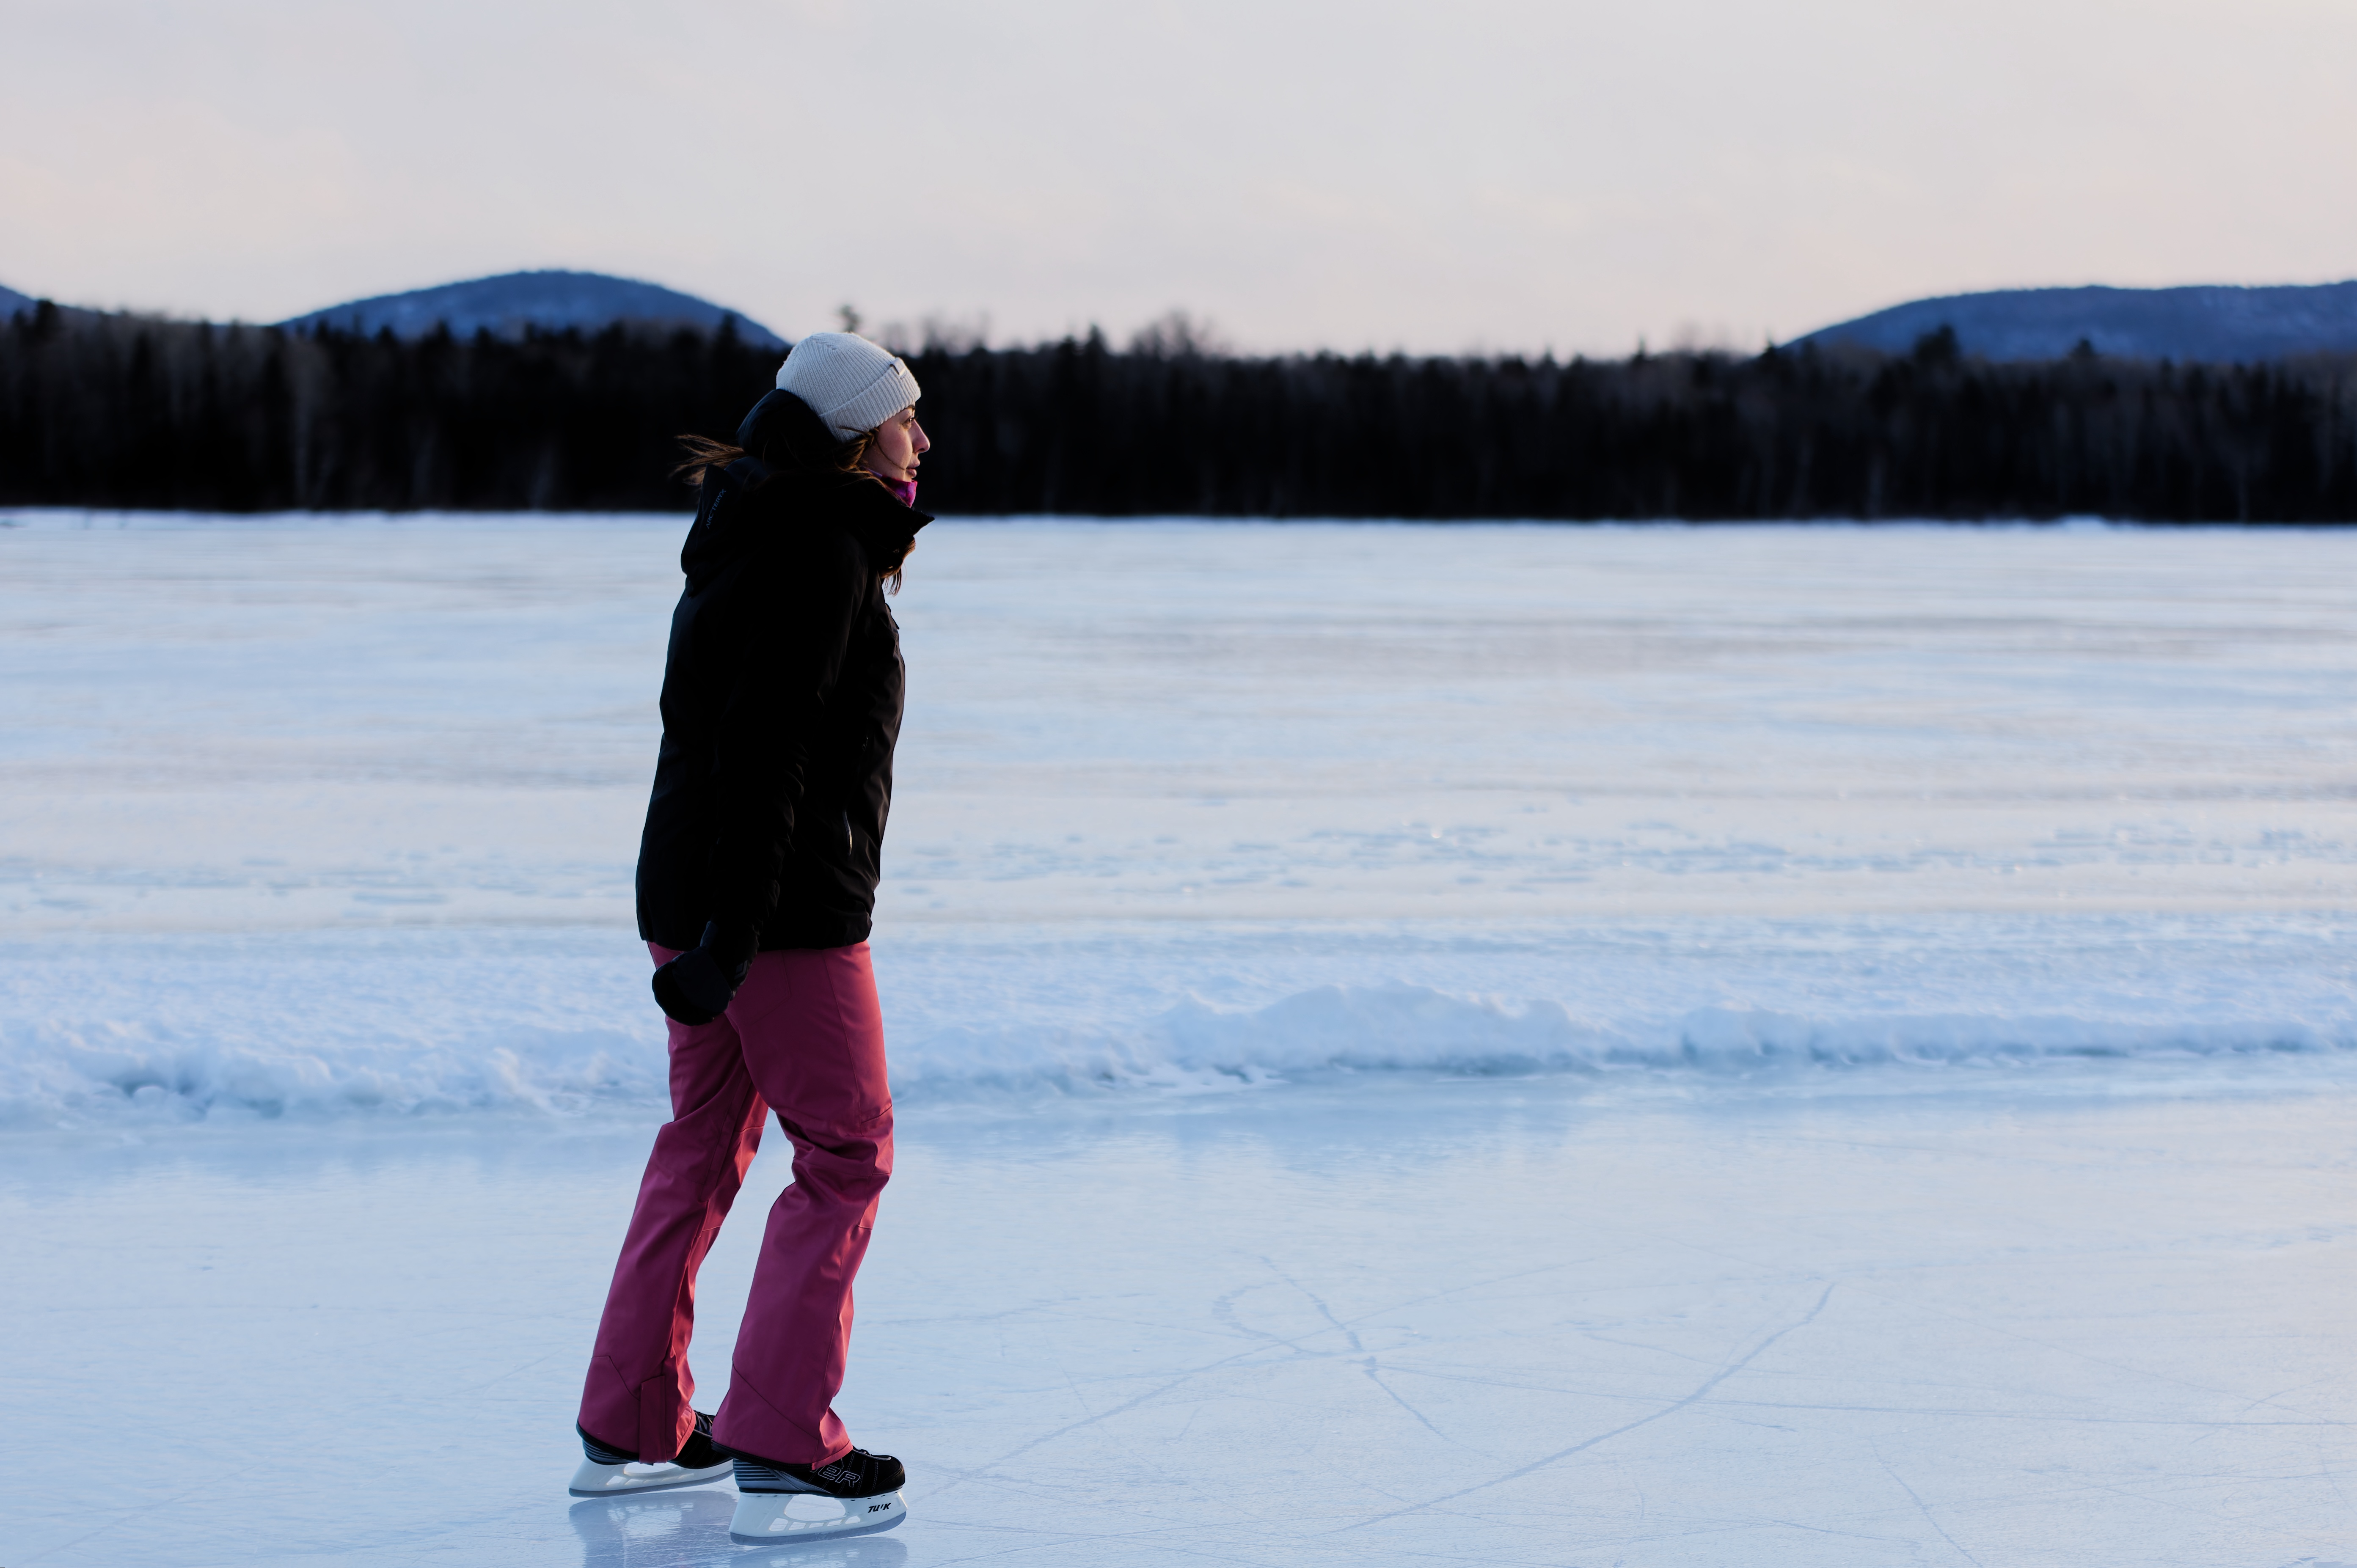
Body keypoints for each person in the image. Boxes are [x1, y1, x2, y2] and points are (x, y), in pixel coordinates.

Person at [567, 332, 931, 1545]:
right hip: (776, 917)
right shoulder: (819, 547)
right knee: (845, 1149)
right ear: (853, 436)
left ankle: (635, 1417)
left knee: (703, 1141)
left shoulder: (750, 527)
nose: (921, 442)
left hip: (700, 903)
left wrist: (708, 926)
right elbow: (765, 748)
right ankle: (781, 1433)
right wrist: (738, 928)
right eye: (904, 421)